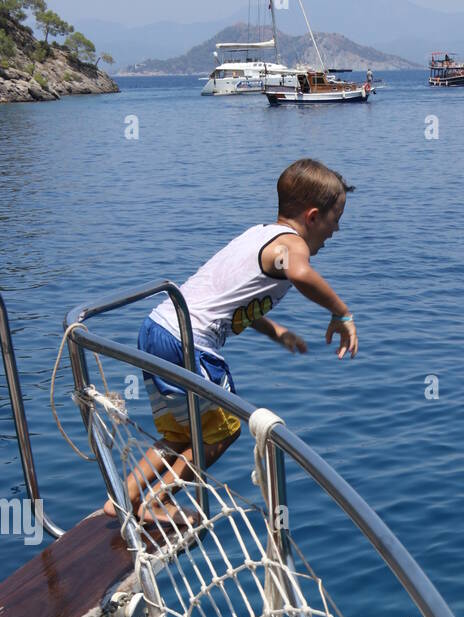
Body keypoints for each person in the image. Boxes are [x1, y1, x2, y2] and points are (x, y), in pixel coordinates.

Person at [107, 158, 357, 524]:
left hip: (157, 325)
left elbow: (229, 302)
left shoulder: (258, 234)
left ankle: (123, 496)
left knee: (183, 433)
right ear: (313, 216)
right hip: (189, 339)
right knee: (226, 430)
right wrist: (341, 313)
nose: (337, 230)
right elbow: (300, 273)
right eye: (336, 219)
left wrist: (276, 332)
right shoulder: (291, 245)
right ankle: (156, 501)